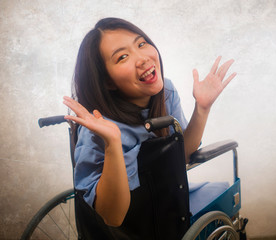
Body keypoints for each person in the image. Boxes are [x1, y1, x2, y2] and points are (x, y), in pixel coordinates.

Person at [63, 18, 236, 229]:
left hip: (166, 198)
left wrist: (202, 108)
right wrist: (113, 144)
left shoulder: (166, 93)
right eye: (123, 57)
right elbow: (113, 217)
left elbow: (180, 156)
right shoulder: (98, 129)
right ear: (107, 81)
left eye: (141, 44)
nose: (143, 58)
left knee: (219, 189)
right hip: (138, 223)